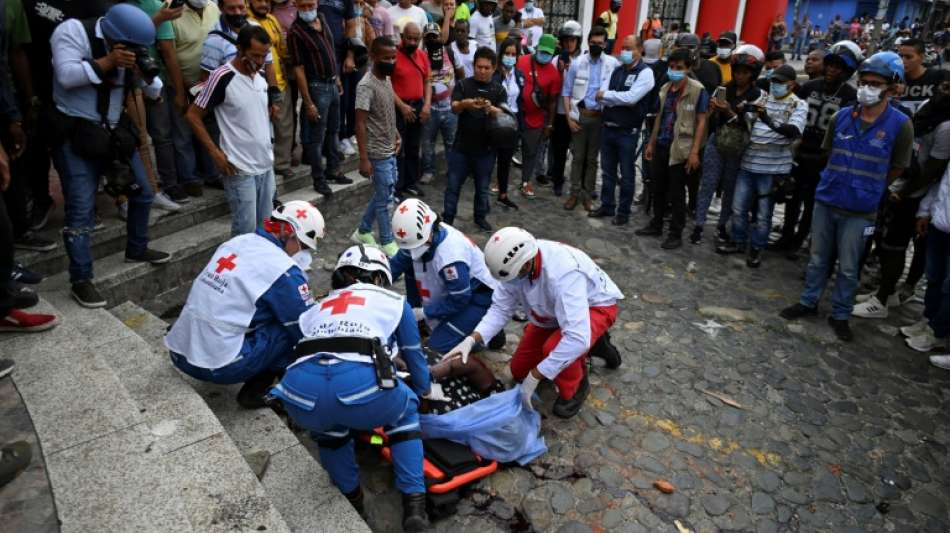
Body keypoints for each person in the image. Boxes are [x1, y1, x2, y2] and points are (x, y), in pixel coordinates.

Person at [268, 244, 431, 531]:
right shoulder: (394, 302)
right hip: (359, 388)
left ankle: (352, 501)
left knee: (330, 430)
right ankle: (414, 505)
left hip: (299, 392)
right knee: (404, 413)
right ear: (380, 278)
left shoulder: (318, 306)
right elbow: (414, 355)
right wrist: (423, 391)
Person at [781, 52, 914, 342]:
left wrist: (872, 186)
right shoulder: (842, 117)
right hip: (828, 198)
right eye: (864, 82)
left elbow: (899, 166)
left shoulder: (900, 124)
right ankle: (808, 301)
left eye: (875, 83)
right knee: (817, 258)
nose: (867, 88)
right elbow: (830, 153)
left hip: (861, 208)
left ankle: (840, 314)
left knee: (850, 266)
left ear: (891, 88)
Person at [50, 3, 171, 308]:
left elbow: (156, 91)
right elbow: (66, 76)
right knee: (80, 209)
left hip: (115, 131)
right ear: (112, 36)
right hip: (77, 131)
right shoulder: (72, 32)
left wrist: (143, 70)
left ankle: (137, 247)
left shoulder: (132, 49)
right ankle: (81, 279)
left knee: (143, 193)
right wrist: (107, 62)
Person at [446, 227, 623, 419]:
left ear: (526, 264)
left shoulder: (563, 275)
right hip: (552, 313)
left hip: (593, 307)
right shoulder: (514, 268)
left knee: (556, 348)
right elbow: (500, 309)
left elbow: (576, 338)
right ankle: (596, 343)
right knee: (518, 371)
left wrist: (537, 375)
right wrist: (472, 339)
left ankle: (577, 385)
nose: (511, 283)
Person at [165, 200, 324, 406]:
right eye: (302, 246)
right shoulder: (284, 271)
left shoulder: (237, 242)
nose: (301, 253)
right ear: (288, 234)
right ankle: (265, 392)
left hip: (179, 352)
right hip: (218, 366)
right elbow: (305, 327)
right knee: (290, 329)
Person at [860, 84, 950, 323]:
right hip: (898, 186)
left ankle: (881, 301)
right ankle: (884, 292)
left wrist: (904, 191)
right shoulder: (925, 109)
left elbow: (933, 168)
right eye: (945, 87)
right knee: (885, 242)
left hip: (915, 197)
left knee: (896, 248)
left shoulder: (945, 128)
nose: (944, 92)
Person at [186, 25, 277, 237]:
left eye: (264, 56)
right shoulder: (222, 76)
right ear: (240, 49)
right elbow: (192, 115)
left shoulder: (260, 76)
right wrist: (215, 153)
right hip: (239, 169)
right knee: (244, 234)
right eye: (255, 55)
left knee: (266, 230)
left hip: (265, 165)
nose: (260, 61)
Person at [773, 41, 859, 254]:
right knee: (792, 198)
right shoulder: (810, 87)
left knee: (812, 202)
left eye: (838, 67)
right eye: (830, 64)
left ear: (846, 71)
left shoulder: (850, 95)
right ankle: (786, 235)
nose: (831, 69)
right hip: (800, 152)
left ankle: (799, 240)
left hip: (824, 158)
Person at [717, 64, 806, 267]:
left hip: (774, 167)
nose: (775, 85)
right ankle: (738, 241)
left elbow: (793, 131)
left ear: (791, 84)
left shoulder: (797, 105)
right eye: (773, 81)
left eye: (780, 82)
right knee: (738, 207)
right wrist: (739, 111)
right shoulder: (762, 98)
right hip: (749, 161)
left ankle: (757, 247)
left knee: (764, 213)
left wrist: (766, 118)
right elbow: (743, 121)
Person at [390, 197, 503, 353]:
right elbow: (394, 266)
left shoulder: (451, 258)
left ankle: (485, 332)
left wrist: (424, 313)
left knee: (436, 348)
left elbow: (460, 299)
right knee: (410, 265)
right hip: (456, 292)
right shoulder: (418, 236)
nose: (413, 251)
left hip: (478, 298)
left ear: (430, 232)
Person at [690, 44, 764, 246]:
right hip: (718, 139)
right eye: (737, 72)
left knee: (730, 188)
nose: (740, 76)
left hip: (739, 146)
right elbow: (708, 116)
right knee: (708, 184)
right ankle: (699, 224)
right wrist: (714, 109)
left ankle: (722, 224)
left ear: (752, 74)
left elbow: (750, 123)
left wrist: (729, 112)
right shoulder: (724, 88)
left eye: (745, 73)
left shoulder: (757, 95)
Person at [635, 48, 708, 250]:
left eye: (680, 68)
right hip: (662, 144)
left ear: (688, 69)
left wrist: (694, 152)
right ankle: (656, 224)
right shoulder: (666, 88)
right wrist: (651, 143)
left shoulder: (697, 90)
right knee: (658, 187)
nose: (674, 71)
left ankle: (675, 233)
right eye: (672, 67)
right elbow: (659, 117)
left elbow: (702, 122)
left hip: (681, 149)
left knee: (676, 193)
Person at [589, 35, 654, 226]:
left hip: (628, 131)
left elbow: (632, 98)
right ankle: (607, 205)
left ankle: (623, 212)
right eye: (623, 48)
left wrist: (610, 96)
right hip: (608, 127)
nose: (625, 52)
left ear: (640, 49)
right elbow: (599, 95)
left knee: (626, 174)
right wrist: (614, 97)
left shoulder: (645, 73)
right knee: (607, 171)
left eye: (630, 48)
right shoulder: (617, 70)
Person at [442, 46, 505, 232]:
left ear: (493, 68)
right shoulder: (464, 85)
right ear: (474, 66)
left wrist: (490, 108)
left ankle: (480, 217)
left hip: (486, 149)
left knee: (483, 188)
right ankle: (448, 219)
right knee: (453, 186)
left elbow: (503, 113)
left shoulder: (498, 89)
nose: (482, 71)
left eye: (486, 67)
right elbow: (453, 107)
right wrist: (465, 103)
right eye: (479, 66)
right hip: (461, 147)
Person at [289, 0, 347, 197]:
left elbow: (331, 50)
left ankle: (334, 170)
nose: (308, 10)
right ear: (296, 6)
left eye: (310, 5)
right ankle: (319, 179)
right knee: (316, 137)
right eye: (303, 6)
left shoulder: (321, 18)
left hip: (332, 83)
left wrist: (337, 78)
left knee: (333, 130)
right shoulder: (295, 32)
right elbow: (298, 69)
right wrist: (308, 102)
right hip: (316, 86)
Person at [165, 0, 221, 200]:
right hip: (181, 83)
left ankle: (212, 173)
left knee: (211, 129)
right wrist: (180, 90)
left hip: (209, 83)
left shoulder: (213, 8)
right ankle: (189, 179)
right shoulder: (172, 10)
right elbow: (168, 53)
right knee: (183, 133)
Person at [351, 36, 401, 257]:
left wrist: (396, 133)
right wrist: (363, 158)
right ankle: (387, 240)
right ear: (373, 57)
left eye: (393, 57)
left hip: (389, 146)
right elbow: (360, 122)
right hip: (376, 151)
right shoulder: (366, 85)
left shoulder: (386, 80)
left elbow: (387, 110)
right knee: (385, 199)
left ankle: (363, 229)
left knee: (385, 192)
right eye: (386, 58)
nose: (391, 61)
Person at [562, 26, 618, 212]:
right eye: (593, 43)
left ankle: (588, 195)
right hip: (580, 116)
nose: (596, 46)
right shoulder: (577, 63)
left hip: (599, 118)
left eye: (600, 43)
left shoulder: (611, 63)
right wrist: (569, 118)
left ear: (605, 44)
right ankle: (574, 193)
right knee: (578, 158)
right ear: (588, 42)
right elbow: (567, 92)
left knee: (592, 160)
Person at [913, 165, 950, 370]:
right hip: (940, 225)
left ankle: (937, 332)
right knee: (934, 277)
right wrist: (926, 211)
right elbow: (941, 185)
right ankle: (928, 320)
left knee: (948, 287)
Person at [517, 33, 560, 200]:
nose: (545, 55)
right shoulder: (521, 61)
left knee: (530, 152)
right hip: (516, 114)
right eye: (542, 51)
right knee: (505, 149)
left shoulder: (554, 73)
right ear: (537, 49)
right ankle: (501, 181)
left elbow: (552, 102)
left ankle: (526, 181)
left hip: (536, 119)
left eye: (548, 53)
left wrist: (549, 125)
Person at [391, 22, 432, 200]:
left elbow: (428, 81)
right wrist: (401, 105)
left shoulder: (422, 56)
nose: (413, 42)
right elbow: (386, 84)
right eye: (409, 38)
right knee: (398, 148)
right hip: (399, 107)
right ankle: (397, 187)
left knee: (414, 147)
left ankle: (410, 183)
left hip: (418, 106)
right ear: (402, 37)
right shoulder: (393, 55)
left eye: (416, 39)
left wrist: (427, 105)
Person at [421, 22, 461, 184]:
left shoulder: (450, 52)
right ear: (424, 39)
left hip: (450, 107)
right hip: (430, 108)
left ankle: (453, 171)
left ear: (440, 37)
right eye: (429, 37)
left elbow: (461, 74)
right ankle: (428, 171)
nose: (433, 39)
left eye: (435, 36)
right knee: (427, 142)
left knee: (451, 142)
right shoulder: (421, 55)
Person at [546, 20, 582, 197]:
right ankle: (557, 180)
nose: (570, 44)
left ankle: (581, 183)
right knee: (559, 150)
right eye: (566, 40)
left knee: (580, 152)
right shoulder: (554, 61)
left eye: (573, 40)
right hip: (559, 112)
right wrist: (560, 71)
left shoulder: (583, 61)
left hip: (576, 112)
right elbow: (553, 88)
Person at [492, 37, 523, 206]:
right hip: (496, 122)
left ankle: (503, 194)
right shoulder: (495, 74)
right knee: (490, 158)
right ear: (501, 54)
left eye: (514, 54)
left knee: (505, 160)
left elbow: (520, 100)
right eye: (507, 53)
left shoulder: (518, 75)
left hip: (512, 123)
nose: (510, 57)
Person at [899, 38, 950, 116]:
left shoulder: (940, 77)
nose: (903, 61)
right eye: (901, 56)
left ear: (921, 57)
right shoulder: (894, 79)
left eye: (908, 57)